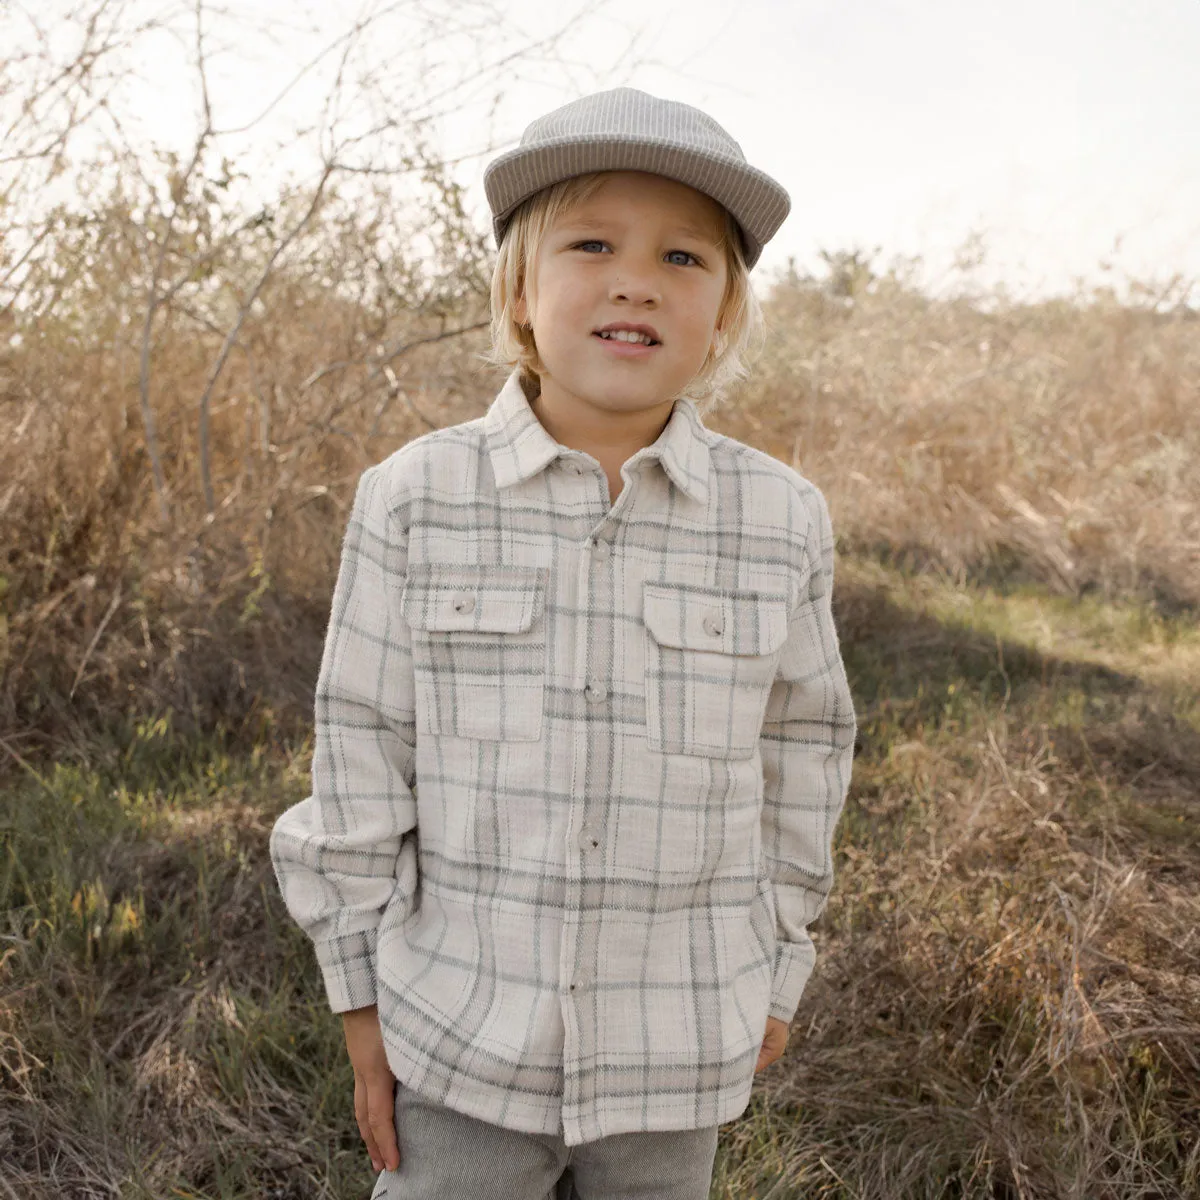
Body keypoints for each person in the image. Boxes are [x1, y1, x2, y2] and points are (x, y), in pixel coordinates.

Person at [269, 86, 857, 1200]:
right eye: (592, 244)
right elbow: (359, 754)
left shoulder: (781, 519)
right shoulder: (413, 498)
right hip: (461, 1044)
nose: (637, 277)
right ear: (521, 291)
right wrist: (359, 1010)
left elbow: (806, 756)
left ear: (725, 310)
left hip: (677, 1045)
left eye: (685, 258)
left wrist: (780, 971)